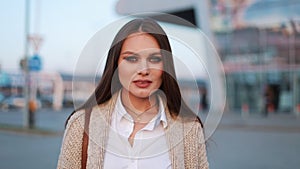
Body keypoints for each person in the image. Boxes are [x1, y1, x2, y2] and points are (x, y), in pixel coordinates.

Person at [57, 18, 209, 169]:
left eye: (154, 59)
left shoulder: (190, 129)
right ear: (115, 63)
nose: (143, 70)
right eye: (131, 58)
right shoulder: (82, 124)